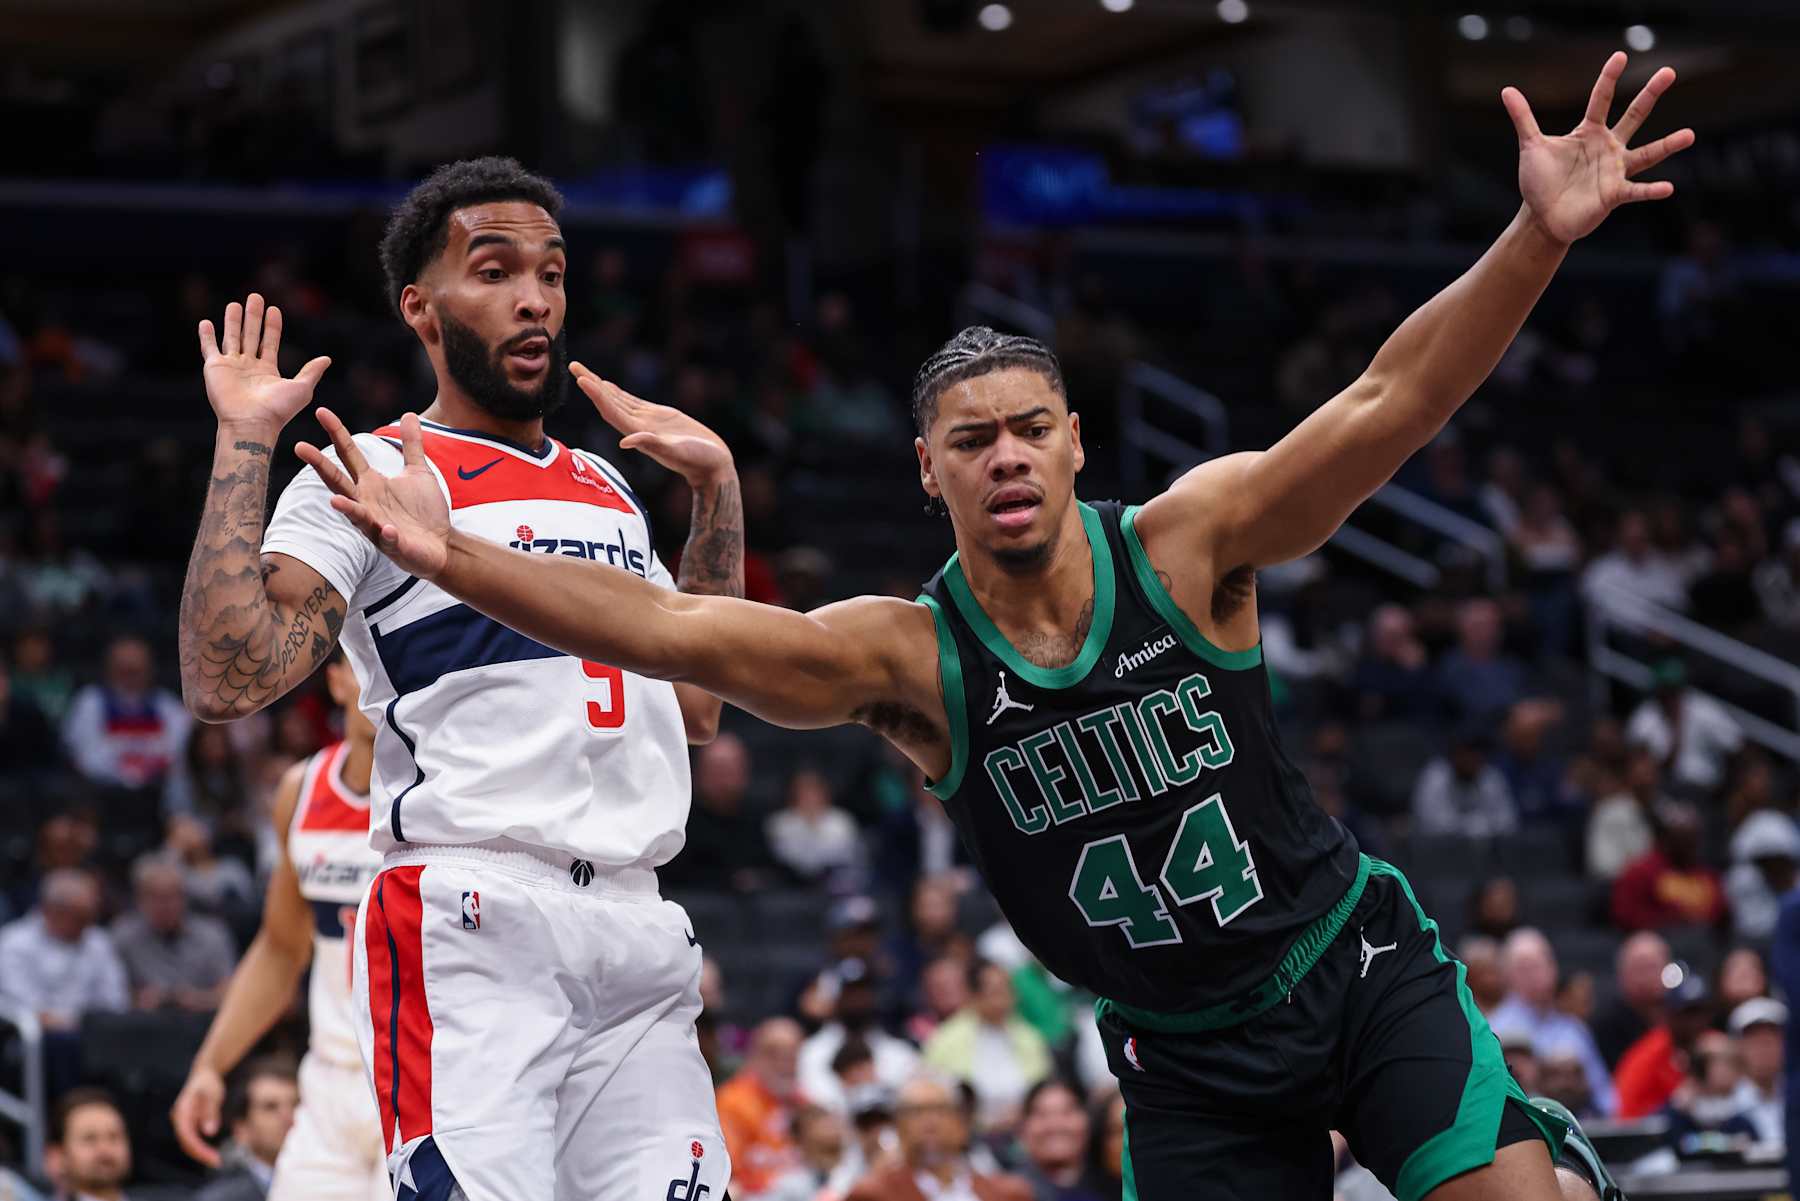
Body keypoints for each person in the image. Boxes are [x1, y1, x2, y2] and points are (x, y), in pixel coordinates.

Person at [304, 55, 1691, 1201]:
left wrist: (1535, 237)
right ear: (929, 469)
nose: (1008, 455)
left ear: (1079, 444)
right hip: (1186, 1052)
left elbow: (1389, 403)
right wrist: (457, 560)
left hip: (1347, 965)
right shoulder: (912, 656)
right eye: (973, 439)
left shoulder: (1187, 542)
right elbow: (671, 634)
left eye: (1034, 428)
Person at [174, 157, 743, 1200]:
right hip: (477, 916)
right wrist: (245, 445)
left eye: (554, 272)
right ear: (421, 308)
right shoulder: (376, 471)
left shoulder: (609, 484)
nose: (535, 297)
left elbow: (699, 704)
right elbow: (223, 677)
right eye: (496, 270)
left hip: (637, 922)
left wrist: (714, 495)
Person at [171, 650, 389, 1201]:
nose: (384, 685)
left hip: (423, 1079)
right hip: (330, 1084)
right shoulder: (302, 790)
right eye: (370, 668)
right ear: (337, 682)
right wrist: (210, 1066)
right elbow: (280, 948)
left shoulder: (441, 793)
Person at [843, 1075, 1032, 1201]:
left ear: (962, 1124)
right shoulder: (873, 1194)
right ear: (899, 1127)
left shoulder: (1007, 1193)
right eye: (916, 1112)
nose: (929, 1122)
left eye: (940, 1110)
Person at [1490, 929, 1615, 1116]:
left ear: (1553, 968)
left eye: (1541, 964)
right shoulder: (1494, 1029)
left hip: (1579, 1127)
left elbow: (1605, 1096)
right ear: (1507, 977)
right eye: (1525, 968)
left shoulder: (1574, 1028)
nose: (1536, 975)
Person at [921, 960, 1052, 1132]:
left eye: (1007, 989)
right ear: (974, 995)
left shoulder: (1030, 1038)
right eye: (995, 991)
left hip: (1025, 1131)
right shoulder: (945, 1040)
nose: (1004, 997)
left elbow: (1043, 1088)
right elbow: (934, 1092)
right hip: (967, 1131)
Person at [61, 634, 191, 795]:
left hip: (158, 794)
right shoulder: (89, 702)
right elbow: (86, 759)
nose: (130, 677)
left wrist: (142, 771)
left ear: (150, 670)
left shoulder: (168, 706)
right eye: (123, 670)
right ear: (108, 669)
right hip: (103, 793)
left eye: (136, 670)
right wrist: (130, 773)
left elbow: (181, 754)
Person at [0, 869, 128, 1028]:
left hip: (95, 1033)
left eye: (90, 916)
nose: (87, 924)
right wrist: (59, 1021)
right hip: (38, 1034)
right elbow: (20, 1001)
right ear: (51, 911)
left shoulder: (98, 941)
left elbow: (115, 1000)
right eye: (80, 917)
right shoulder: (14, 942)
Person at [110, 853, 237, 1012]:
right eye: (155, 897)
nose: (165, 905)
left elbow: (230, 993)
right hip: (144, 1027)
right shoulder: (122, 936)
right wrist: (138, 999)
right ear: (139, 899)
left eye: (172, 897)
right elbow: (108, 994)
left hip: (199, 1023)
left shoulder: (213, 935)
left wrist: (199, 999)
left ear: (185, 898)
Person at [716, 1018, 806, 1200]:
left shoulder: (803, 1101)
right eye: (774, 1054)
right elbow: (729, 1171)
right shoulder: (733, 1101)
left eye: (792, 1056)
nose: (785, 1065)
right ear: (754, 1055)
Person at [1623, 660, 1743, 795]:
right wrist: (1675, 729)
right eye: (1665, 691)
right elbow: (1639, 761)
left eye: (1674, 691)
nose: (1670, 698)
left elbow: (1736, 744)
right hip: (1662, 791)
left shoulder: (1703, 709)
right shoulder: (1645, 717)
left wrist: (1727, 785)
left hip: (1706, 792)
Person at [1612, 966, 1713, 1119]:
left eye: (1701, 1012)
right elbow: (1626, 1118)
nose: (1696, 1022)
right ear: (1669, 1015)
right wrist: (1673, 1106)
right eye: (1687, 1014)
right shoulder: (1646, 1057)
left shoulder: (1719, 1048)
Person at [1610, 802, 1727, 931]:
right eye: (1681, 838)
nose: (1687, 845)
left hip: (1701, 942)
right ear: (1664, 838)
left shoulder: (1707, 875)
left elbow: (1720, 914)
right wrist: (1672, 920)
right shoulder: (1640, 871)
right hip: (1658, 940)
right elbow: (1626, 916)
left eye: (1691, 838)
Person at [194, 1059, 301, 1201]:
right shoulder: (221, 1198)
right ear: (241, 1130)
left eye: (296, 1104)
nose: (289, 1117)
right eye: (270, 1107)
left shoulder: (332, 1184)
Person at [1411, 723, 1518, 838]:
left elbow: (1508, 821)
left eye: (1478, 752)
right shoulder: (1435, 776)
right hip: (1438, 850)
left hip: (1485, 850)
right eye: (1468, 752)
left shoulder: (1490, 776)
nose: (1473, 758)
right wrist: (1476, 826)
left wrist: (1478, 826)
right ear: (1455, 753)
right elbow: (1432, 825)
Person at [1015, 1079, 1107, 1201]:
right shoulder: (1004, 1193)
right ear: (1022, 1128)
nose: (1055, 1125)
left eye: (1067, 1112)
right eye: (1042, 1114)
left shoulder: (1122, 1186)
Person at [1589, 931, 1670, 1069]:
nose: (1646, 977)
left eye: (1652, 967)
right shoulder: (1604, 1026)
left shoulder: (1683, 1015)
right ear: (1621, 974)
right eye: (1639, 969)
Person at [1726, 997, 1785, 1146]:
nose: (1763, 1050)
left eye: (1770, 1041)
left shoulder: (1794, 1097)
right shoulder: (1726, 1105)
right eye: (1754, 1042)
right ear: (1739, 1048)